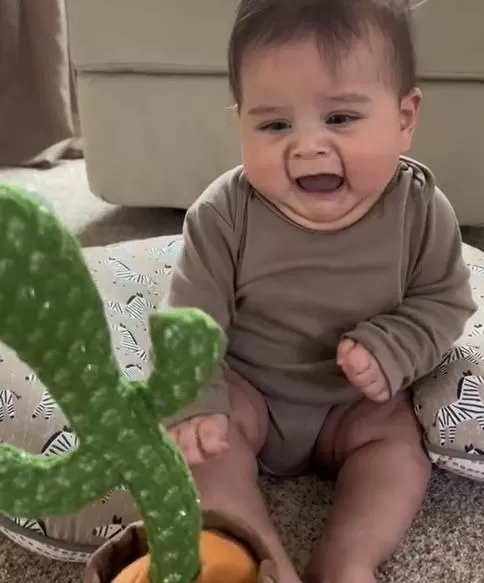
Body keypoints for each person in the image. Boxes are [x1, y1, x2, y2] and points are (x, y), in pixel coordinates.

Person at [161, 1, 476, 581]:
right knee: (198, 454)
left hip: (355, 404)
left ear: (405, 117)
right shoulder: (224, 214)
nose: (306, 147)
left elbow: (447, 299)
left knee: (399, 453)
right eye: (274, 124)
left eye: (340, 119)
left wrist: (395, 346)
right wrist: (198, 403)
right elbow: (189, 319)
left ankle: (348, 558)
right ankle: (263, 560)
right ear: (240, 123)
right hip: (250, 389)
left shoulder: (420, 209)